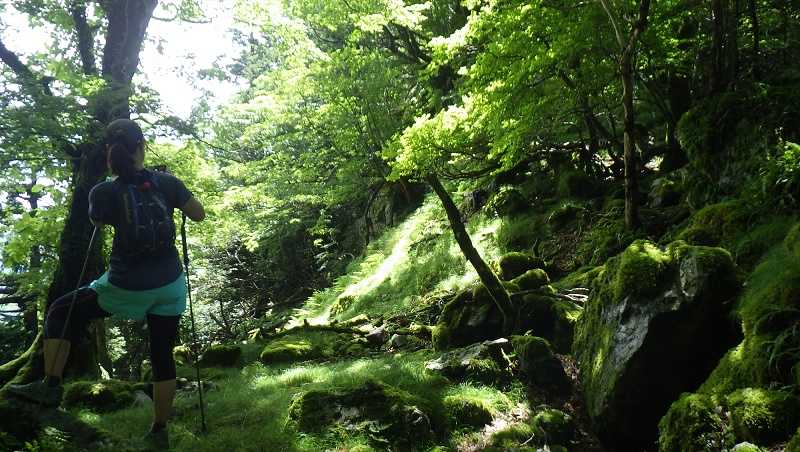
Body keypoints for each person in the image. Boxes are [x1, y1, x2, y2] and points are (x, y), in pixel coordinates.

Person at [8, 118, 205, 448]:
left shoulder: (103, 191)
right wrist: (171, 188)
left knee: (61, 311)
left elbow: (97, 221)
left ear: (109, 152)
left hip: (125, 287)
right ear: (142, 146)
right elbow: (198, 214)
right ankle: (160, 432)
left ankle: (51, 385)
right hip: (169, 285)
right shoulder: (168, 183)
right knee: (162, 355)